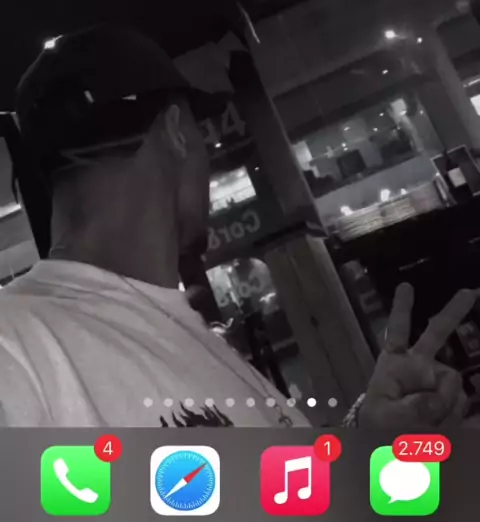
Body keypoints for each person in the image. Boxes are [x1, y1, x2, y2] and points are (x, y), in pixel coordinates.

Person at [0, 25, 474, 428]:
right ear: (175, 131)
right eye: (197, 130)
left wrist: (366, 436)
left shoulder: (171, 327)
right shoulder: (12, 347)